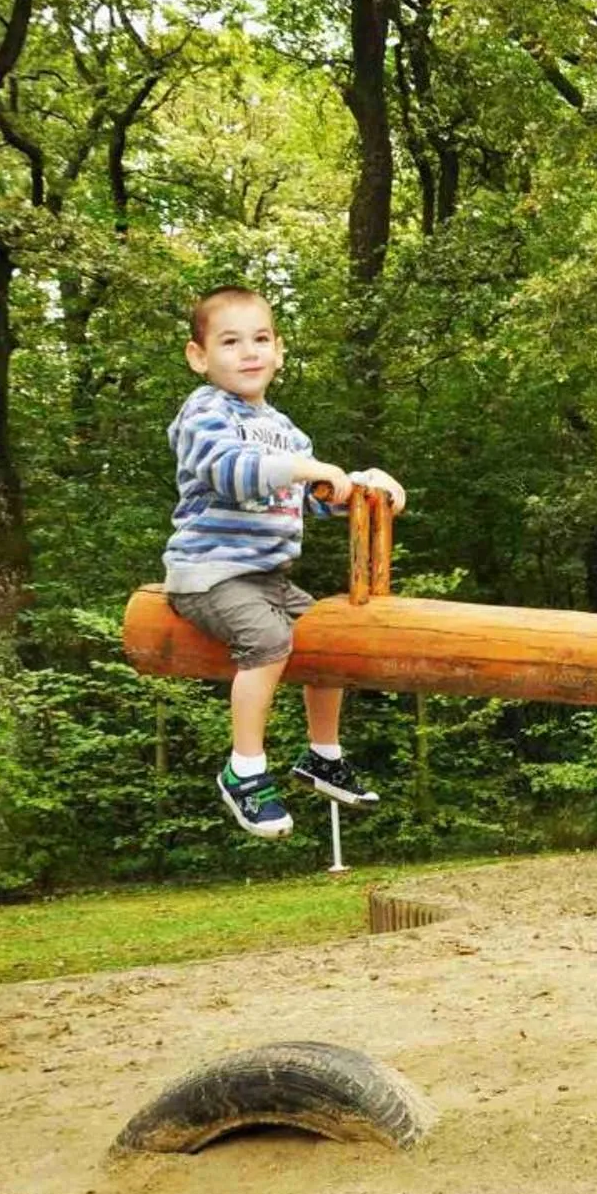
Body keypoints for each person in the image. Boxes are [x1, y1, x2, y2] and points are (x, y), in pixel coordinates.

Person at [164, 287, 406, 839]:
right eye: (230, 341)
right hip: (211, 572)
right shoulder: (205, 412)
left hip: (268, 577)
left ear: (279, 352)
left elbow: (314, 495)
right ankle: (244, 770)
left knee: (329, 642)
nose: (248, 352)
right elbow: (230, 471)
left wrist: (365, 483)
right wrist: (300, 466)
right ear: (199, 356)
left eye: (260, 339)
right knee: (269, 641)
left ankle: (323, 754)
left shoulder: (287, 429)